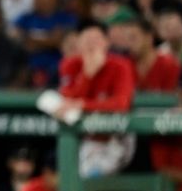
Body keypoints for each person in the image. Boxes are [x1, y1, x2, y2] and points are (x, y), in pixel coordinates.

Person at [58, 21, 136, 178]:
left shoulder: (120, 65)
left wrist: (83, 105)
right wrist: (87, 75)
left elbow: (121, 104)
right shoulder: (70, 65)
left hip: (116, 134)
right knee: (76, 173)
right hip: (84, 137)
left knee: (90, 174)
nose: (92, 45)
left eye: (97, 39)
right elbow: (66, 102)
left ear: (107, 42)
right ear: (78, 43)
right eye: (86, 40)